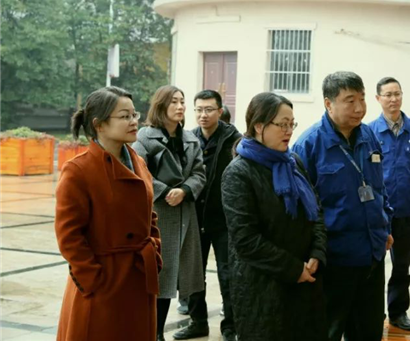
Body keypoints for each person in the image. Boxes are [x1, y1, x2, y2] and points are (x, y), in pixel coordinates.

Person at [55, 86, 162, 341]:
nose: (134, 121)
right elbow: (69, 236)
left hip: (138, 277)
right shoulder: (78, 170)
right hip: (102, 285)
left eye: (134, 114)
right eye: (124, 116)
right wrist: (93, 278)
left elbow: (149, 215)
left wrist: (155, 250)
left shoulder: (138, 162)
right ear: (99, 124)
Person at [292, 71, 393, 341]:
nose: (359, 108)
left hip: (372, 255)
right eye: (350, 101)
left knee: (369, 330)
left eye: (362, 99)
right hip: (334, 260)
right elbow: (301, 209)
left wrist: (385, 224)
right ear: (329, 104)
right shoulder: (308, 145)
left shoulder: (369, 136)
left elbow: (380, 187)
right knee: (328, 330)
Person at [222, 92, 327, 340]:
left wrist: (317, 252)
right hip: (263, 290)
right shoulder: (238, 173)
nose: (289, 131)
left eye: (292, 124)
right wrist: (294, 269)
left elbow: (316, 211)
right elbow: (246, 240)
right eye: (282, 124)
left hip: (306, 282)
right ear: (259, 126)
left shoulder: (293, 162)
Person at [133, 85, 206, 341]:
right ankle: (154, 333)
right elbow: (138, 171)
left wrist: (185, 190)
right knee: (159, 276)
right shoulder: (145, 137)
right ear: (161, 105)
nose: (180, 106)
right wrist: (165, 192)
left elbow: (200, 173)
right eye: (173, 102)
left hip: (185, 214)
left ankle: (160, 331)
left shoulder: (190, 139)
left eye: (182, 101)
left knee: (182, 275)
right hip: (158, 214)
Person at [174, 90, 241, 341]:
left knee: (228, 273)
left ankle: (231, 327)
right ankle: (198, 322)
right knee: (193, 273)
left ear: (220, 111)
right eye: (199, 110)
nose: (203, 115)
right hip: (195, 217)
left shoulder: (235, 140)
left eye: (209, 109)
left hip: (224, 219)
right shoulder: (189, 139)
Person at [368, 77, 410, 332]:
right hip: (378, 212)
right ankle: (372, 313)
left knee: (402, 265)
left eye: (397, 93)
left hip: (405, 210)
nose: (393, 99)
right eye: (388, 94)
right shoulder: (370, 132)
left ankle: (398, 312)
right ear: (378, 98)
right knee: (374, 265)